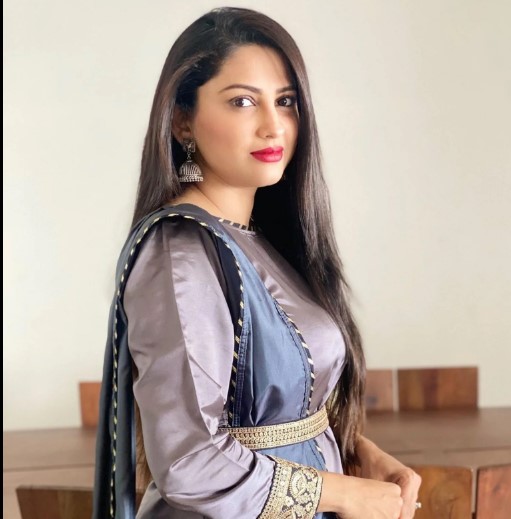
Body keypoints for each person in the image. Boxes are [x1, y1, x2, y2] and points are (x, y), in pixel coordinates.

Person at [93, 7, 421, 519]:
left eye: (285, 101)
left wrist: (359, 453)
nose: (273, 126)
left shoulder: (262, 240)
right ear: (182, 120)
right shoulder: (180, 250)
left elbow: (285, 411)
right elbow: (188, 460)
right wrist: (344, 494)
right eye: (243, 101)